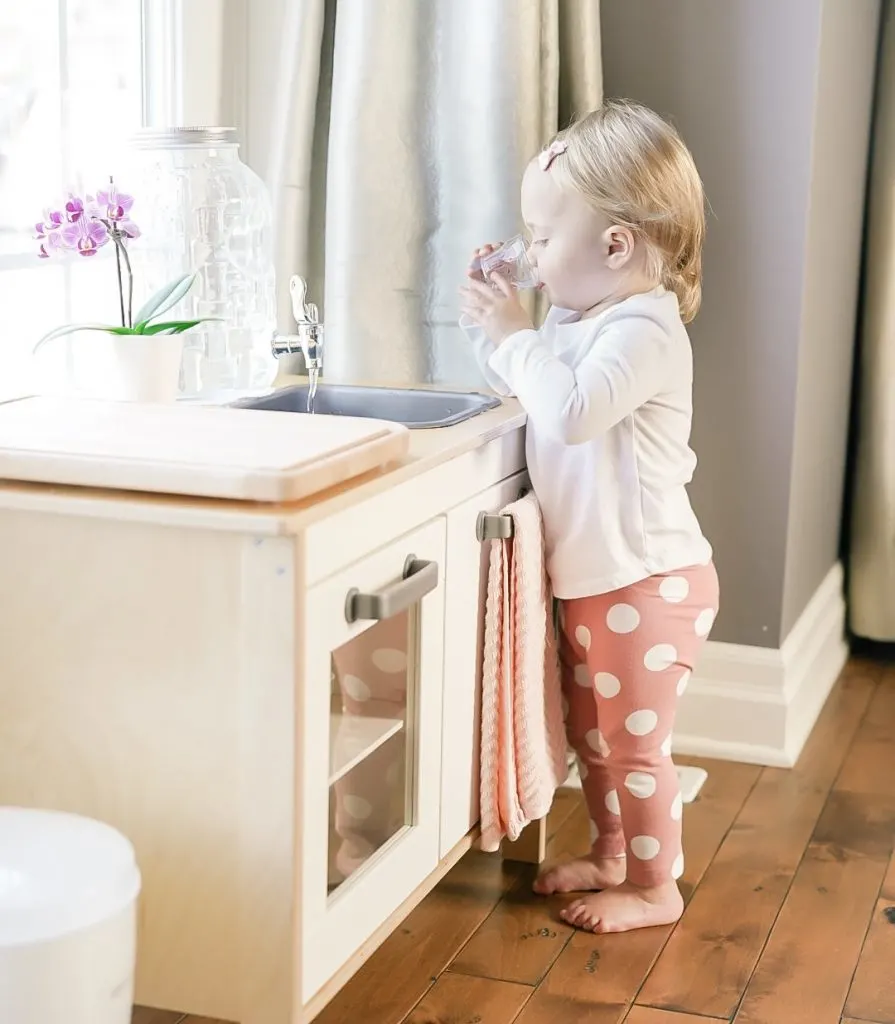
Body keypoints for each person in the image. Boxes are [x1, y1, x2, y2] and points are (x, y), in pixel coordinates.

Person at [458, 99, 719, 934]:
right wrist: (499, 327)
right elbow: (524, 389)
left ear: (614, 245)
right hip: (602, 579)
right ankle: (615, 856)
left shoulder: (644, 329)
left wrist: (516, 334)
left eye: (540, 235)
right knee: (597, 741)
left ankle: (654, 885)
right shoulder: (577, 322)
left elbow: (569, 413)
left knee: (634, 750)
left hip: (647, 583)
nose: (529, 251)